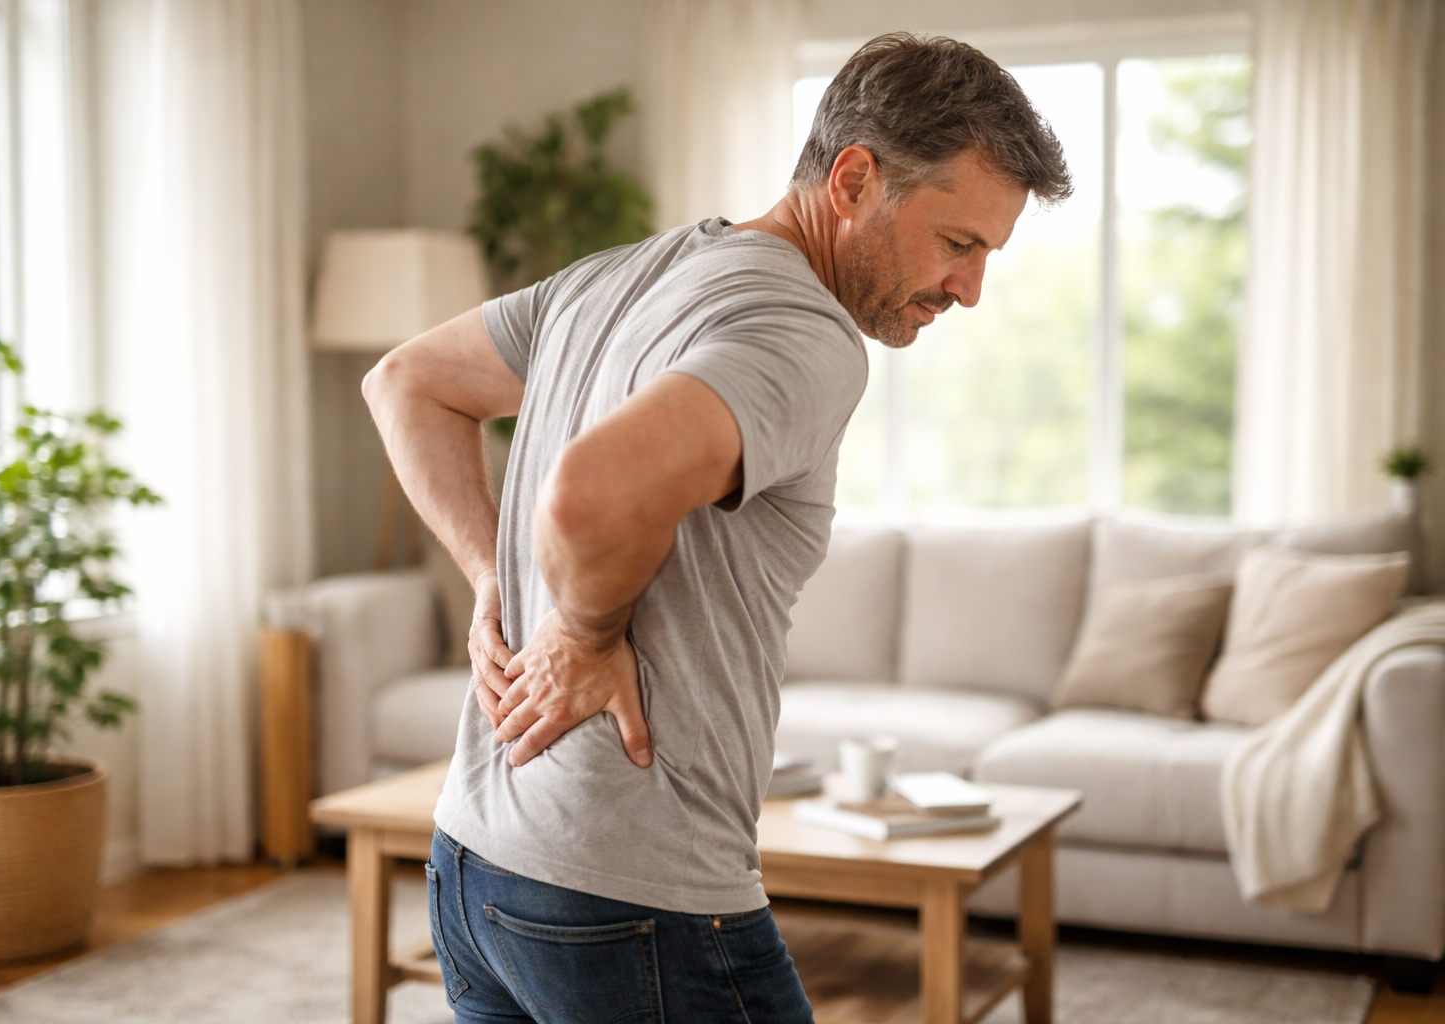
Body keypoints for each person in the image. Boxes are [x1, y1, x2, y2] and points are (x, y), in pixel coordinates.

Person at [363, 31, 1071, 1023]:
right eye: (960, 244)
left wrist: (495, 576)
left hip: (474, 865)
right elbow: (590, 494)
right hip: (631, 892)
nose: (971, 288)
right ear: (855, 178)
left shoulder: (613, 279)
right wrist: (580, 631)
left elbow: (408, 383)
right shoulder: (808, 337)